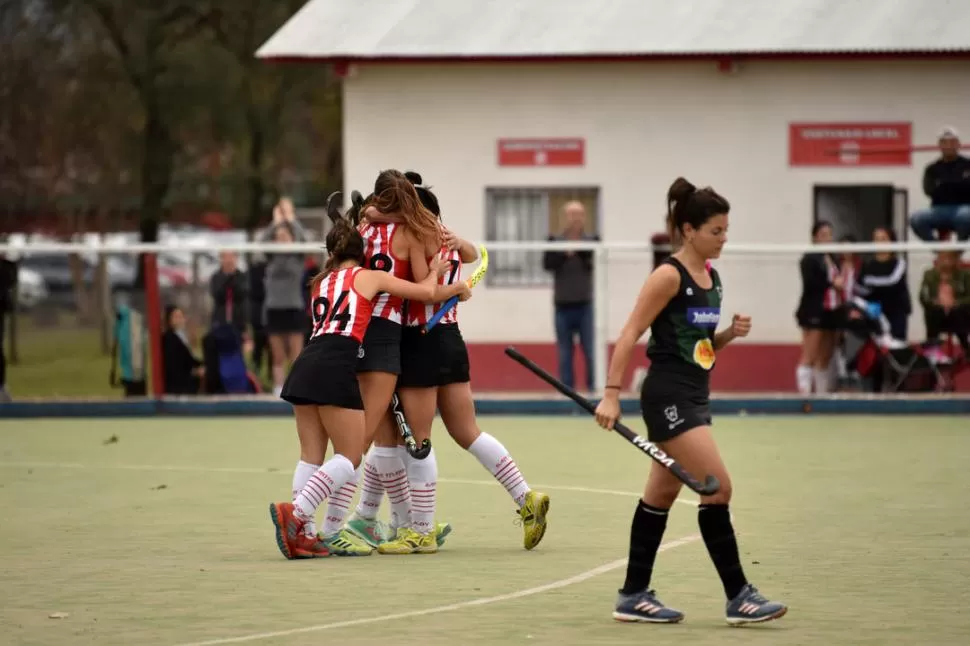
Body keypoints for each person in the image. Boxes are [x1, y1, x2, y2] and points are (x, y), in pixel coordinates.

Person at [593, 177, 787, 626]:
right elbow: (628, 335)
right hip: (668, 396)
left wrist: (727, 337)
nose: (723, 239)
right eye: (716, 231)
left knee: (660, 495)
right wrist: (610, 394)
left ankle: (633, 595)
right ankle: (740, 595)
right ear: (687, 230)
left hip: (695, 393)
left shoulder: (711, 278)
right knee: (717, 487)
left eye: (725, 231)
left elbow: (698, 348)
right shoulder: (667, 276)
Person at [360, 173, 551, 553]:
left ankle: (421, 531)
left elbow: (423, 290)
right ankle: (526, 496)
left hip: (421, 337)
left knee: (416, 440)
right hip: (451, 339)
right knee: (468, 432)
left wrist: (451, 288)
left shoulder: (411, 234)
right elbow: (470, 254)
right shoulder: (446, 237)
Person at [269, 211, 470, 560]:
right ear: (362, 251)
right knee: (349, 456)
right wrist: (442, 276)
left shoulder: (321, 281)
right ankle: (297, 513)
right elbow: (423, 293)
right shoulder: (369, 276)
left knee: (310, 457)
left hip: (305, 363)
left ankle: (307, 535)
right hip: (336, 364)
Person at [542, 201, 598, 392]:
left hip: (585, 305)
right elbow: (547, 264)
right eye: (571, 215)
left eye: (579, 214)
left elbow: (594, 263)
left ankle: (593, 390)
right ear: (564, 218)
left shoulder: (593, 241)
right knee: (565, 353)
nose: (575, 219)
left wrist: (579, 250)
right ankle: (567, 393)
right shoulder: (554, 241)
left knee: (590, 351)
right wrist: (565, 253)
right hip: (562, 305)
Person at [257, 197, 309, 396]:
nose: (282, 237)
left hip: (293, 308)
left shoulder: (297, 257)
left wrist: (291, 219)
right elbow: (261, 243)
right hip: (273, 309)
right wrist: (276, 222)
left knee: (295, 355)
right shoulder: (271, 257)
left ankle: (296, 389)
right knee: (278, 356)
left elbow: (303, 239)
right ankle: (279, 390)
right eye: (279, 236)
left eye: (286, 235)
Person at [794, 221, 842, 394]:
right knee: (810, 355)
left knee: (825, 357)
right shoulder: (809, 258)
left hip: (831, 311)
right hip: (813, 311)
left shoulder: (833, 259)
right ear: (815, 237)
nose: (827, 239)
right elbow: (812, 283)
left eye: (829, 235)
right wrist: (832, 283)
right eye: (823, 235)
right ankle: (805, 394)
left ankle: (822, 395)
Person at [910, 126, 970, 241]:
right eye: (944, 142)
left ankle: (957, 249)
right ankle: (939, 250)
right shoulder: (932, 168)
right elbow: (929, 191)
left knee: (966, 216)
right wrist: (960, 184)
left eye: (952, 142)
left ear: (958, 144)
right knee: (916, 219)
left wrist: (944, 185)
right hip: (938, 209)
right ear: (939, 145)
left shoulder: (968, 165)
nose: (948, 146)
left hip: (965, 209)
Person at [857, 227, 911, 341]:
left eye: (883, 239)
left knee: (896, 349)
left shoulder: (899, 263)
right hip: (876, 316)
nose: (879, 242)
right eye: (876, 239)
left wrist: (871, 284)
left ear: (892, 241)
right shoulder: (867, 266)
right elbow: (860, 289)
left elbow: (891, 282)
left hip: (896, 314)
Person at [919, 250, 970, 354]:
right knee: (933, 312)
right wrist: (934, 302)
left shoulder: (965, 275)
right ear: (938, 259)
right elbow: (923, 297)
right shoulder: (929, 275)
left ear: (956, 259)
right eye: (943, 258)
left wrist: (957, 302)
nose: (946, 262)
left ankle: (965, 347)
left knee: (959, 312)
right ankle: (932, 350)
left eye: (950, 258)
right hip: (938, 313)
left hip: (959, 314)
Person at [161, 305, 204, 395]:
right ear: (169, 319)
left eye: (181, 316)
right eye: (176, 317)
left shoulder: (178, 337)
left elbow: (189, 360)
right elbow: (179, 364)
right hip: (177, 386)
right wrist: (195, 372)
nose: (180, 319)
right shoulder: (170, 339)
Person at [209, 251, 249, 339]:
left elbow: (242, 294)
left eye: (232, 257)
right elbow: (217, 295)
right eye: (226, 257)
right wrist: (227, 279)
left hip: (238, 320)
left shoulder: (242, 277)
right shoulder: (216, 277)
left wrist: (233, 278)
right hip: (220, 319)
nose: (229, 260)